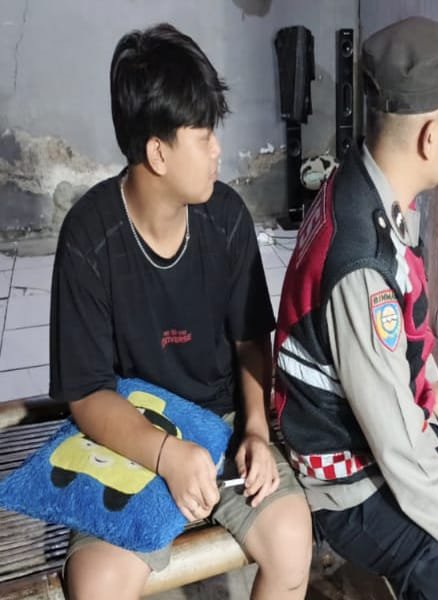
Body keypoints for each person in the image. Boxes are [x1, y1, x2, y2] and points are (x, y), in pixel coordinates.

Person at [273, 17, 438, 600]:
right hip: (350, 476)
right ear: (429, 138)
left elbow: (389, 356)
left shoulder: (369, 185)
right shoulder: (360, 260)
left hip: (383, 420)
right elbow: (399, 452)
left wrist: (424, 384)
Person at [49, 23, 311, 600]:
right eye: (204, 135)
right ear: (158, 152)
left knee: (292, 540)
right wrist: (166, 455)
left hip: (221, 427)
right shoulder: (89, 237)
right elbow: (88, 394)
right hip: (130, 433)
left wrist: (255, 431)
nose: (218, 150)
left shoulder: (227, 219)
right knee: (95, 585)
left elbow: (250, 341)